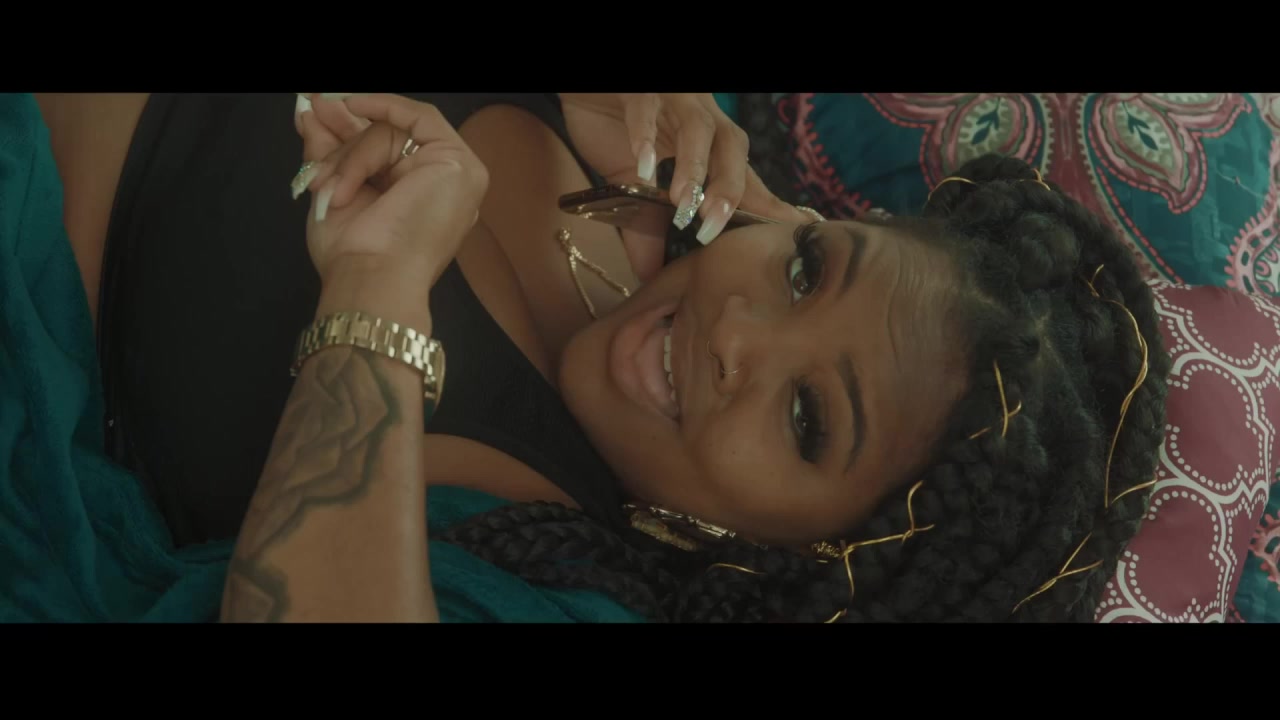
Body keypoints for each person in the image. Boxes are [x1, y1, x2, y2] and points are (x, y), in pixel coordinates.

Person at [25, 92, 1169, 623]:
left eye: (808, 420)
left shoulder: (557, 582)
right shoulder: (662, 151)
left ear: (811, 560)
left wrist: (375, 289)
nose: (737, 336)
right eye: (808, 271)